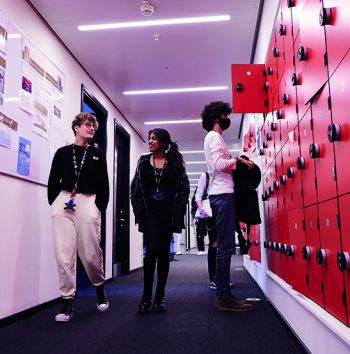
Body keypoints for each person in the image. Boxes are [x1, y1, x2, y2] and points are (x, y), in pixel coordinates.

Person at [48, 112, 110, 322]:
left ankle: (99, 286)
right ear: (76, 127)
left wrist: (98, 206)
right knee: (63, 253)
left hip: (88, 201)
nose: (91, 128)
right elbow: (53, 180)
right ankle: (67, 300)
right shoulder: (62, 152)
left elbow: (104, 185)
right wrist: (55, 202)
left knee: (90, 252)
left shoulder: (97, 154)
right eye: (87, 124)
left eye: (93, 126)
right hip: (64, 201)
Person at [201, 101, 254, 312]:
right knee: (224, 247)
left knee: (226, 246)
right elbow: (218, 165)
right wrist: (238, 161)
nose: (227, 118)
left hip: (223, 195)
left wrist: (235, 160)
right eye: (225, 115)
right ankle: (223, 296)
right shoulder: (213, 136)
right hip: (222, 196)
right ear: (217, 118)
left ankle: (225, 294)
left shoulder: (215, 137)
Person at [131, 128, 189, 314]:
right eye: (149, 138)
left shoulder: (175, 163)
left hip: (168, 214)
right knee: (151, 252)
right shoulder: (142, 162)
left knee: (163, 254)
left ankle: (160, 297)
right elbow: (135, 188)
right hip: (149, 213)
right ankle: (146, 297)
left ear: (163, 142)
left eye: (154, 138)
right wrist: (137, 209)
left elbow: (184, 189)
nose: (150, 141)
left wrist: (178, 214)